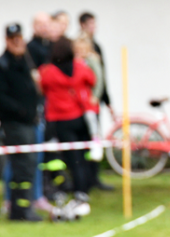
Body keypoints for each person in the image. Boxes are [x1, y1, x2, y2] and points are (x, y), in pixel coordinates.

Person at [0, 23, 43, 221]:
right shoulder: (1, 65)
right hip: (14, 123)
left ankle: (23, 207)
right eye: (14, 39)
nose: (18, 43)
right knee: (22, 166)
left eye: (20, 39)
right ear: (7, 41)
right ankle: (21, 209)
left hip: (29, 122)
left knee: (28, 166)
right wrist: (20, 110)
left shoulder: (25, 62)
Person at [39, 37, 96, 197]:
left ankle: (79, 190)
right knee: (82, 155)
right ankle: (84, 187)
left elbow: (41, 87)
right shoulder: (79, 67)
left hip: (60, 119)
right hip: (79, 116)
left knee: (72, 158)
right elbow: (92, 79)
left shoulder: (48, 71)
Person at [72, 35, 113, 191]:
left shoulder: (92, 60)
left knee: (92, 125)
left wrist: (95, 96)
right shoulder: (75, 61)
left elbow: (99, 80)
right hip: (78, 104)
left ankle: (96, 142)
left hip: (89, 103)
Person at [79, 12, 114, 119]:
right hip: (81, 99)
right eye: (90, 24)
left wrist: (106, 100)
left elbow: (101, 75)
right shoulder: (76, 45)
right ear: (82, 25)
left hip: (94, 98)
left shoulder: (97, 47)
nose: (94, 27)